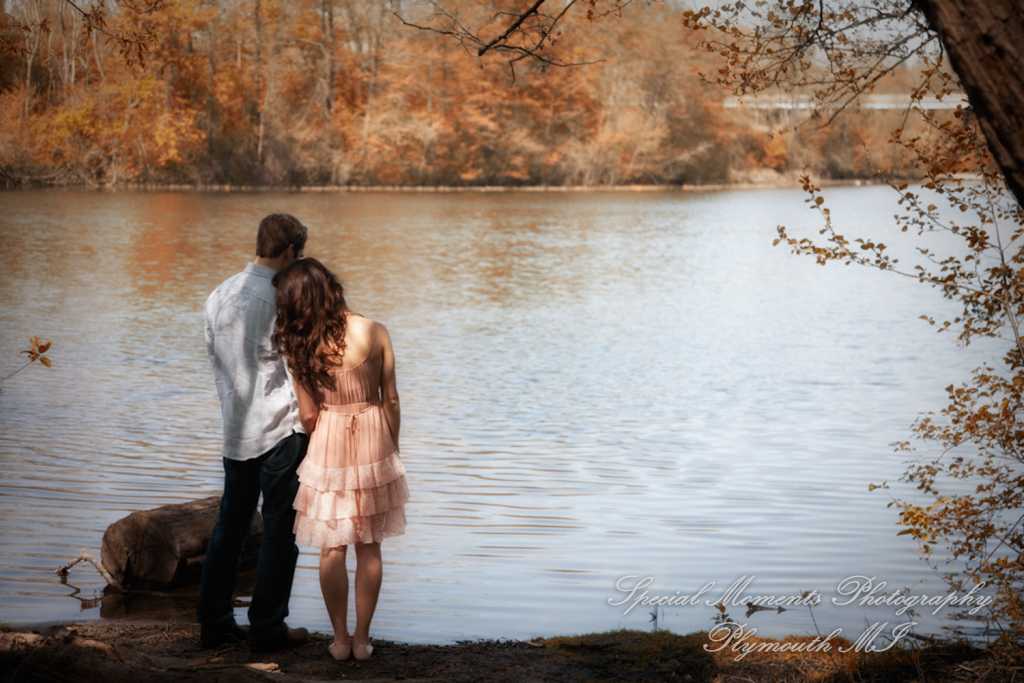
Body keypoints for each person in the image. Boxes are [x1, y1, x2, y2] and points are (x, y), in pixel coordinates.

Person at [272, 258, 407, 662]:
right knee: (369, 546)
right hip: (373, 436)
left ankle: (339, 639)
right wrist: (392, 445)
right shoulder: (374, 330)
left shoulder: (298, 345)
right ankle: (364, 641)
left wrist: (323, 439)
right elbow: (392, 399)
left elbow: (309, 414)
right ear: (331, 288)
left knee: (331, 548)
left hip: (328, 439)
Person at [197, 213, 311, 653]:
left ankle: (214, 623)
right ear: (288, 251)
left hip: (236, 429)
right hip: (280, 430)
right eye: (295, 256)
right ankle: (267, 629)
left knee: (231, 525)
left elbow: (216, 363)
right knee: (281, 530)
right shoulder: (282, 298)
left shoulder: (218, 295)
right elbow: (295, 366)